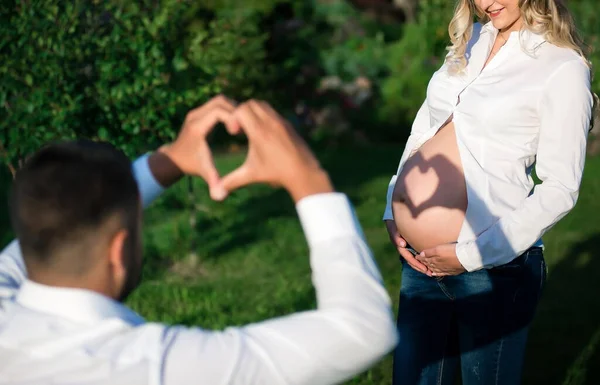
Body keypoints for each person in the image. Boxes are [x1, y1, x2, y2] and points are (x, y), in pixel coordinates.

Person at [0, 96, 398, 384]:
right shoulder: (156, 367)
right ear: (120, 251)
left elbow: (42, 236)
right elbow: (361, 330)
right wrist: (309, 180)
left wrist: (169, 160)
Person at [383, 0, 597, 384]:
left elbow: (561, 188)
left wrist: (468, 256)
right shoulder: (471, 40)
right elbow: (423, 131)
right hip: (419, 266)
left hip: (491, 270)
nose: (486, 3)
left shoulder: (562, 67)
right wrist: (392, 210)